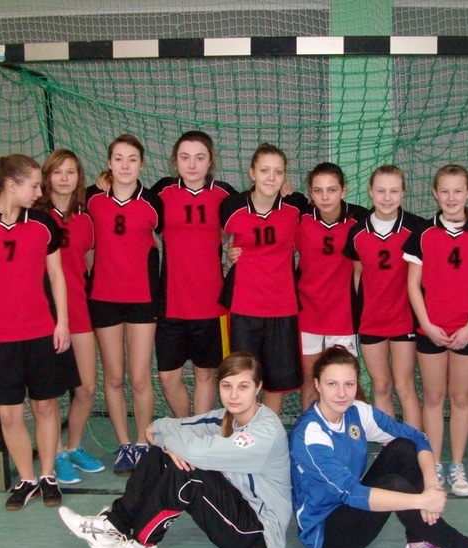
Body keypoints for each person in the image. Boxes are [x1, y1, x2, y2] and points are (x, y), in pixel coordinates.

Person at [289, 346, 468, 548]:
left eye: (349, 384)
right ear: (318, 384)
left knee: (404, 448)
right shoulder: (310, 434)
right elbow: (351, 493)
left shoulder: (357, 412)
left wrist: (432, 485)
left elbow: (417, 438)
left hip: (351, 507)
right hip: (328, 535)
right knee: (393, 483)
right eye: (332, 384)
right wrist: (422, 501)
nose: (341, 393)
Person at [58, 352, 292, 548]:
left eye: (243, 387)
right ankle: (113, 526)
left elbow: (197, 453)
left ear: (258, 388)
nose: (233, 395)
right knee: (160, 456)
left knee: (188, 473)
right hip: (235, 508)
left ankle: (142, 547)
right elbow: (161, 427)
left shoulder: (264, 433)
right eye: (226, 386)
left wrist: (171, 444)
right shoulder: (224, 418)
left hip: (258, 535)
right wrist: (168, 444)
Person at [0, 154, 79, 510]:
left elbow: (56, 275)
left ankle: (48, 475)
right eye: (34, 186)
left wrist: (62, 322)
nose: (40, 192)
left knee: (45, 406)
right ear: (11, 185)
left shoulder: (42, 224)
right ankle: (27, 479)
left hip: (42, 332)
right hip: (1, 337)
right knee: (8, 414)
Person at [403, 165, 468, 496]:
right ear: (435, 193)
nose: (451, 198)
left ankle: (457, 465)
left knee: (460, 398)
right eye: (444, 191)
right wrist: (427, 325)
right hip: (430, 331)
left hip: (467, 332)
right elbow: (413, 285)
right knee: (433, 397)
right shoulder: (422, 234)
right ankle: (433, 464)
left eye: (458, 191)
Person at [86, 134, 163, 476]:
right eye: (118, 158)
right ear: (109, 163)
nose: (125, 165)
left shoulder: (153, 203)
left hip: (143, 300)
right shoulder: (92, 198)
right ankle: (124, 445)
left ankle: (143, 442)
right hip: (104, 298)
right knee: (114, 377)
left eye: (132, 159)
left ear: (141, 164)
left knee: (140, 377)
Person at [150, 131, 237, 417]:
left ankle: (198, 431)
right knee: (167, 377)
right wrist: (105, 179)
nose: (192, 165)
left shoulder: (225, 195)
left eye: (200, 158)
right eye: (185, 157)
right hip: (171, 303)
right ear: (175, 160)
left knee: (205, 373)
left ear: (210, 161)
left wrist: (285, 189)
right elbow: (127, 194)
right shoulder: (161, 192)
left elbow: (257, 209)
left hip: (211, 303)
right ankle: (184, 424)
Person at [219, 143, 308, 415]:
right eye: (265, 170)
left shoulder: (296, 206)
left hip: (282, 306)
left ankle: (267, 433)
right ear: (252, 173)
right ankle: (243, 433)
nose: (271, 177)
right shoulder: (232, 207)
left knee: (275, 382)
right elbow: (218, 240)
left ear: (285, 177)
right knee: (242, 378)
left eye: (278, 172)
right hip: (244, 306)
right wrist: (229, 253)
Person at [36, 149, 105, 485]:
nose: (64, 178)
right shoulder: (34, 217)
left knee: (87, 387)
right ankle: (56, 452)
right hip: (40, 314)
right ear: (47, 177)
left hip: (77, 310)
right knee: (48, 393)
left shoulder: (85, 220)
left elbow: (87, 266)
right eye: (57, 171)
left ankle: (73, 446)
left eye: (71, 172)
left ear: (79, 178)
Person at [342, 165, 423, 429]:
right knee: (381, 385)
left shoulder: (416, 228)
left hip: (404, 318)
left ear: (403, 193)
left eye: (394, 191)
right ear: (370, 191)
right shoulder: (357, 232)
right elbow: (358, 275)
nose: (387, 198)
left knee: (404, 385)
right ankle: (390, 445)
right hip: (371, 320)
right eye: (381, 191)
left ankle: (414, 444)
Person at [295, 162, 368, 410]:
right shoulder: (301, 220)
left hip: (343, 314)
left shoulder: (359, 221)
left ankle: (350, 430)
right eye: (318, 191)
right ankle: (310, 430)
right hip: (308, 312)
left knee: (346, 382)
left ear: (344, 190)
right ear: (310, 193)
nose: (325, 197)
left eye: (332, 190)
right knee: (310, 379)